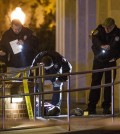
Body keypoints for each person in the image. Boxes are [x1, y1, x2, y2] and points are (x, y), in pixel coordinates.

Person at [87, 17, 120, 115]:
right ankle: (91, 107)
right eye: (105, 27)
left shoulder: (118, 32)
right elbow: (94, 38)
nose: (106, 30)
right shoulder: (100, 29)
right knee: (95, 83)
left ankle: (106, 107)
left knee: (108, 84)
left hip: (111, 60)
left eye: (108, 28)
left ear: (113, 26)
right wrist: (101, 46)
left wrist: (115, 57)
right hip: (99, 60)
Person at [31, 50, 72, 116]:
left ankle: (55, 107)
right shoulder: (38, 58)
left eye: (48, 68)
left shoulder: (59, 58)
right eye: (46, 68)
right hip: (41, 73)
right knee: (36, 85)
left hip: (55, 73)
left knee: (57, 85)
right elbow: (32, 71)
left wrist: (61, 79)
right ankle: (36, 105)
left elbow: (68, 67)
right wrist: (32, 82)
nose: (47, 69)